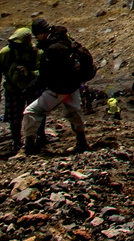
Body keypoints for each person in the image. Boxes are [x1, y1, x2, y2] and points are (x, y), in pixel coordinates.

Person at [21, 24, 96, 154]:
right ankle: (82, 142)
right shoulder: (65, 40)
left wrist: (28, 90)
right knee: (74, 112)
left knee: (31, 111)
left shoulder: (53, 49)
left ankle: (29, 147)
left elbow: (45, 75)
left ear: (42, 32)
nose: (36, 38)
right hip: (73, 85)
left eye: (36, 35)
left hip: (58, 88)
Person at [1, 27, 39, 157]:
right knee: (14, 118)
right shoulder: (5, 53)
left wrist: (30, 73)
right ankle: (16, 141)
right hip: (12, 89)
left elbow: (43, 72)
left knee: (36, 113)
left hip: (32, 88)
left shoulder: (36, 52)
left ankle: (39, 137)